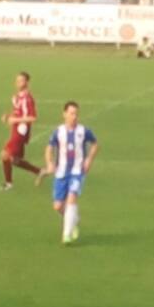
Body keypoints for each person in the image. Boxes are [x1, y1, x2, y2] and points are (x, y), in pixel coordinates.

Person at [44, 101, 99, 245]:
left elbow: (95, 144)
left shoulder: (83, 131)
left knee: (71, 199)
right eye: (71, 113)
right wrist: (49, 163)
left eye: (76, 114)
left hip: (77, 172)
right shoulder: (58, 131)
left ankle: (66, 234)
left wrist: (88, 160)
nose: (74, 117)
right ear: (64, 114)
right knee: (57, 206)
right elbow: (49, 148)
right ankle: (73, 219)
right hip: (61, 173)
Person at [0, 71, 42, 191]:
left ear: (27, 82)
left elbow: (33, 117)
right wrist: (8, 117)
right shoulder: (16, 97)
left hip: (21, 130)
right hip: (15, 129)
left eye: (21, 80)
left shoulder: (27, 99)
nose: (18, 82)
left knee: (5, 154)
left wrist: (15, 120)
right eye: (17, 80)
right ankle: (39, 171)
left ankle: (8, 183)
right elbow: (18, 112)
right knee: (15, 160)